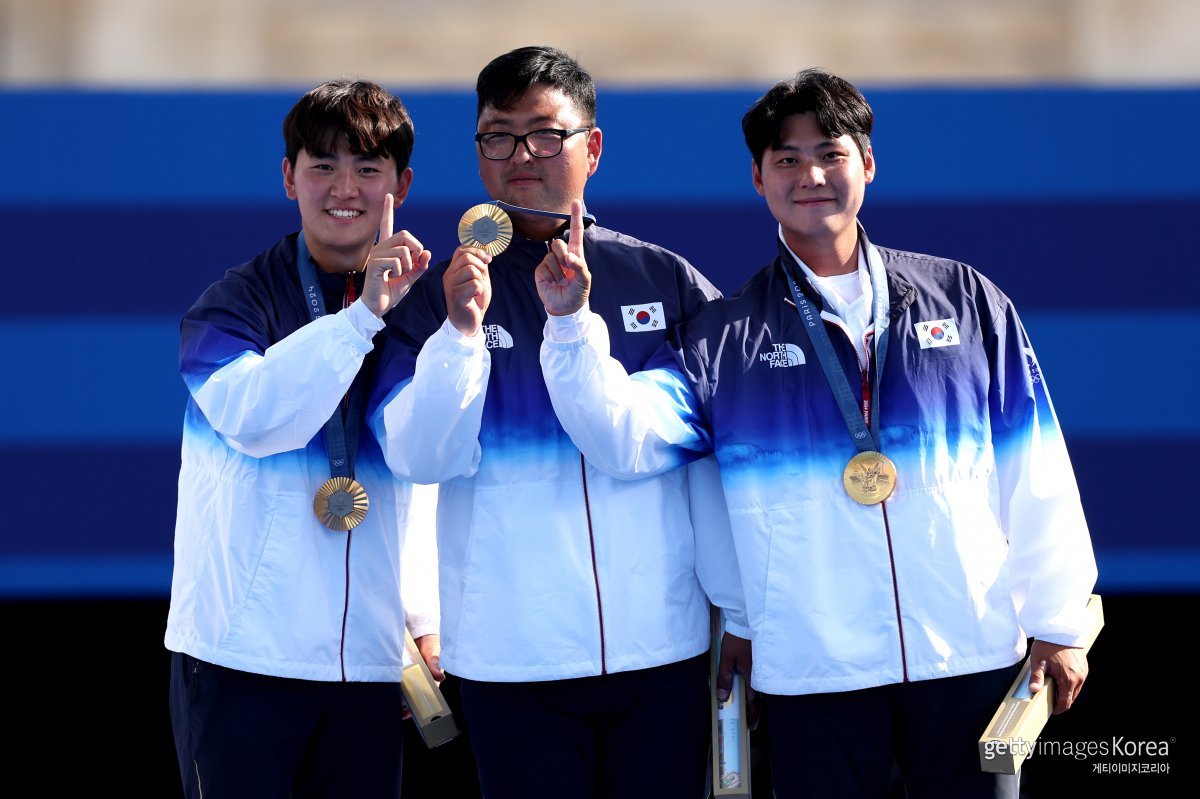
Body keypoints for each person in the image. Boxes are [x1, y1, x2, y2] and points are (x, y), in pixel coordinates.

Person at [536, 68, 1098, 798]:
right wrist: (571, 322)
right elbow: (623, 441)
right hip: (813, 669)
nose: (811, 175)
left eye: (830, 153)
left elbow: (1036, 465)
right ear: (759, 179)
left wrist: (1058, 619)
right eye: (787, 159)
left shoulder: (966, 301)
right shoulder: (722, 338)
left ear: (866, 162)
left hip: (969, 654)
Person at [370, 45, 750, 798]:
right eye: (499, 136)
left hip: (660, 653)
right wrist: (458, 336)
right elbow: (419, 457)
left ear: (593, 147)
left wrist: (737, 609)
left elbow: (678, 453)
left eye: (546, 133)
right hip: (512, 662)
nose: (521, 155)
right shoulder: (436, 299)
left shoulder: (665, 282)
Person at [164, 78, 437, 799]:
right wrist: (359, 319)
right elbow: (254, 421)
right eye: (322, 165)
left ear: (400, 185)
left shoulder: (423, 311)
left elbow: (425, 465)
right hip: (243, 658)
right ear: (289, 177)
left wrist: (425, 615)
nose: (343, 187)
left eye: (368, 168)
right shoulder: (233, 303)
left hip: (371, 666)